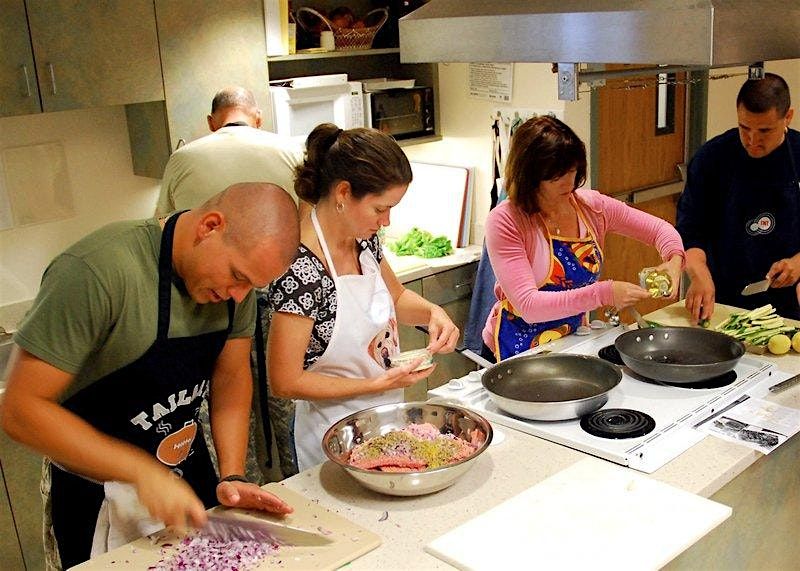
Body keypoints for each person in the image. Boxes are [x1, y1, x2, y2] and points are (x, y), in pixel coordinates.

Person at [0, 183, 299, 569]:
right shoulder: (98, 271)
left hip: (188, 476)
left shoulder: (230, 294)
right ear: (210, 226)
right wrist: (140, 472)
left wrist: (232, 474)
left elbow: (230, 379)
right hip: (94, 497)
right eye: (237, 276)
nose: (240, 296)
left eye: (251, 286)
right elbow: (20, 411)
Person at [266, 123, 460, 472]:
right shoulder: (300, 268)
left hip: (383, 421)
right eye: (379, 209)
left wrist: (433, 314)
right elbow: (285, 381)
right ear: (343, 193)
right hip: (330, 437)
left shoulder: (364, 240)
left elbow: (396, 297)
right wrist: (373, 384)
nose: (386, 220)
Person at [154, 85, 306, 481]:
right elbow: (306, 228)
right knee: (283, 399)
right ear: (258, 118)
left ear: (211, 122)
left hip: (208, 298)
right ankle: (295, 486)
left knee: (220, 398)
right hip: (283, 292)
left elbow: (163, 226)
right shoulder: (289, 150)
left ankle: (240, 485)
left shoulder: (184, 157)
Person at [481, 116, 685, 362]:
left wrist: (674, 261)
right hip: (515, 350)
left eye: (572, 170)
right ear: (530, 176)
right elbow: (529, 306)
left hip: (570, 341)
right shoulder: (506, 221)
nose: (568, 183)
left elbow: (660, 230)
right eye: (555, 177)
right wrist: (604, 293)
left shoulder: (591, 207)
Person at [676, 72, 800, 322]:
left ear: (788, 117)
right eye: (745, 128)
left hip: (790, 304)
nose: (753, 140)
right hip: (723, 301)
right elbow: (690, 231)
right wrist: (699, 274)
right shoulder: (712, 158)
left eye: (765, 130)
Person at [154, 86, 305, 216]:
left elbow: (162, 222)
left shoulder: (181, 158)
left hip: (206, 249)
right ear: (259, 119)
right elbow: (310, 217)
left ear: (210, 122)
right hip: (281, 248)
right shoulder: (293, 151)